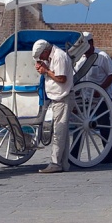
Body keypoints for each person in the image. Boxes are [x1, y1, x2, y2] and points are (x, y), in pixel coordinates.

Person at [32, 39, 74, 173]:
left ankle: (55, 163)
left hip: (63, 97)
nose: (41, 59)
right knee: (63, 132)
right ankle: (64, 163)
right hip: (56, 97)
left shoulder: (59, 56)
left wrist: (46, 71)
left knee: (59, 131)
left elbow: (62, 79)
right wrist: (43, 67)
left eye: (41, 56)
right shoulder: (51, 56)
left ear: (46, 51)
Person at [75, 32, 112, 163]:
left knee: (105, 127)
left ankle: (110, 156)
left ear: (91, 43)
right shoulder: (79, 59)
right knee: (79, 127)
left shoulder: (102, 56)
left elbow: (111, 75)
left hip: (101, 99)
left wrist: (101, 89)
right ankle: (73, 155)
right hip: (85, 98)